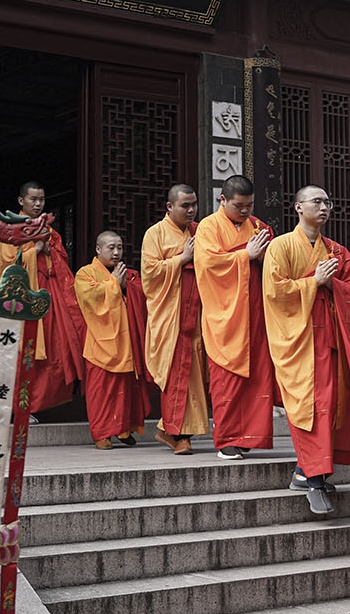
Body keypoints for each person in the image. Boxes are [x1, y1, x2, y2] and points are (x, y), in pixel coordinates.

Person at [262, 185, 350, 516]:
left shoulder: (336, 250)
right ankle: (314, 478)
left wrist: (331, 283)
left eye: (327, 201)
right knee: (309, 406)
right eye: (317, 201)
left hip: (330, 342)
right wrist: (313, 282)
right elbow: (275, 293)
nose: (324, 206)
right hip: (299, 342)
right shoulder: (280, 247)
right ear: (298, 207)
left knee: (330, 407)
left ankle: (306, 472)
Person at [0, 182, 85, 412]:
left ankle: (43, 407)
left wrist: (48, 249)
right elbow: (9, 267)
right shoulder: (13, 227)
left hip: (46, 299)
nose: (38, 204)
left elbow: (61, 265)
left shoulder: (50, 230)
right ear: (20, 201)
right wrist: (35, 250)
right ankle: (22, 408)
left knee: (54, 354)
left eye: (42, 199)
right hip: (21, 303)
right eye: (33, 199)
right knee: (24, 353)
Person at [192, 175, 276, 462]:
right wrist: (246, 254)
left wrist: (264, 256)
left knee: (256, 376)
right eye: (239, 205)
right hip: (224, 315)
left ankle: (248, 437)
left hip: (255, 313)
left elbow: (274, 264)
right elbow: (208, 264)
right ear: (223, 200)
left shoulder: (259, 227)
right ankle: (227, 439)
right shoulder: (208, 227)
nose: (245, 211)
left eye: (249, 206)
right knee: (226, 377)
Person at [141, 184, 208, 455]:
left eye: (194, 204)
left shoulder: (200, 231)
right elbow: (150, 272)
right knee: (176, 372)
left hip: (197, 313)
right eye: (185, 205)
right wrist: (182, 258)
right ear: (170, 207)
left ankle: (176, 431)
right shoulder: (154, 234)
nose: (191, 210)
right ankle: (176, 433)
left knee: (194, 375)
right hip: (171, 314)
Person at [75, 230, 151, 450]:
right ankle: (102, 433)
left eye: (119, 247)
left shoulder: (128, 274)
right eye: (111, 248)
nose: (116, 252)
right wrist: (113, 284)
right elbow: (88, 300)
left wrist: (126, 286)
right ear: (98, 250)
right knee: (101, 391)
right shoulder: (85, 274)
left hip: (125, 343)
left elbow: (141, 295)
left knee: (125, 391)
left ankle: (123, 430)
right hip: (100, 343)